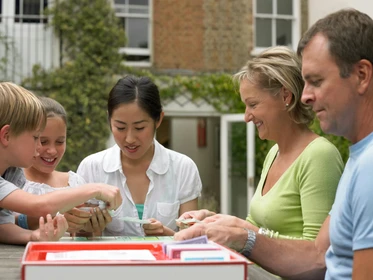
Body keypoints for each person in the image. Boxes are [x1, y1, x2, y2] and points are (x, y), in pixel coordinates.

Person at [176, 8, 373, 280]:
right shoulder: (358, 160)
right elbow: (319, 251)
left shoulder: (354, 163)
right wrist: (220, 224)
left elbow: (317, 261)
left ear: (362, 75)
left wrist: (241, 236)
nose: (306, 96)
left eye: (316, 81)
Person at [178, 46, 343, 241]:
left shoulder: (320, 156)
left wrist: (241, 232)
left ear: (285, 96)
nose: (247, 117)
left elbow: (317, 252)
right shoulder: (274, 153)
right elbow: (254, 227)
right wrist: (211, 221)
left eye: (253, 104)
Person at [77, 75, 202, 236]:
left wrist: (167, 234)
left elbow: (192, 239)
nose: (129, 139)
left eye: (140, 128)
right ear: (109, 120)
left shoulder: (183, 168)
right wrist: (90, 229)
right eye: (120, 128)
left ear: (158, 120)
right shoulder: (91, 168)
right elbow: (80, 238)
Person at [0, 82, 122, 244]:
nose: (41, 147)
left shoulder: (12, 173)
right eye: (37, 138)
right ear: (6, 136)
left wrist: (33, 236)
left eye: (59, 141)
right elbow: (38, 205)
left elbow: (2, 225)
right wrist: (95, 189)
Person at [17, 97, 111, 236]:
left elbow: (86, 238)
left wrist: (90, 228)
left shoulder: (75, 183)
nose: (52, 151)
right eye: (43, 141)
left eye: (60, 141)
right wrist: (56, 219)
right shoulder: (12, 182)